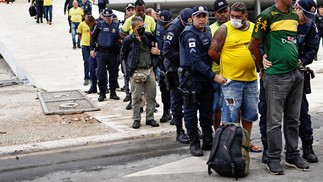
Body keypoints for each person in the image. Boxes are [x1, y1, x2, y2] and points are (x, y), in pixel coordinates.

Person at [248, 0, 310, 175]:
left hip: (296, 75)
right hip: (275, 76)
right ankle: (274, 158)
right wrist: (262, 67)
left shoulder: (294, 15)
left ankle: (292, 155)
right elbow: (253, 45)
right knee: (274, 121)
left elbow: (292, 39)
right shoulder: (266, 16)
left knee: (293, 119)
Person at [259, 0, 319, 165]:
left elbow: (312, 49)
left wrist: (301, 61)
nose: (306, 19)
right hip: (273, 73)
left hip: (296, 73)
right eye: (304, 15)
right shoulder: (273, 17)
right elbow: (258, 42)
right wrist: (262, 58)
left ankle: (305, 147)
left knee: (300, 113)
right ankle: (268, 149)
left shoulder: (310, 25)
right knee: (268, 113)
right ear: (297, 8)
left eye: (310, 16)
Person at [209, 1, 259, 153]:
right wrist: (227, 63)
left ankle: (246, 142)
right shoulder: (224, 29)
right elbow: (212, 52)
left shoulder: (253, 28)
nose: (234, 19)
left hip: (250, 79)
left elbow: (258, 48)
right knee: (231, 115)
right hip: (231, 81)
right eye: (232, 16)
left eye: (238, 16)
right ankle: (231, 145)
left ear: (246, 16)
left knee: (249, 114)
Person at [180, 5, 225, 157]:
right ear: (192, 18)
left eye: (204, 16)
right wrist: (214, 76)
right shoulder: (189, 34)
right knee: (191, 111)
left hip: (205, 77)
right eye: (198, 16)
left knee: (207, 110)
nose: (201, 19)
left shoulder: (207, 31)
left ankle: (207, 139)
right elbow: (195, 61)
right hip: (192, 78)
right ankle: (194, 143)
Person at [121, 16, 159, 129]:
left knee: (152, 95)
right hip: (136, 71)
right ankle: (136, 118)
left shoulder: (148, 36)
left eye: (142, 26)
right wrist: (128, 71)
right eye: (139, 27)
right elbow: (123, 55)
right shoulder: (128, 40)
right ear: (133, 28)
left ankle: (150, 117)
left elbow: (154, 46)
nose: (141, 29)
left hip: (149, 69)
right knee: (136, 96)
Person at [163, 8, 194, 144]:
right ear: (181, 20)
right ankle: (179, 130)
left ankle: (192, 128)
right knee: (176, 99)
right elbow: (166, 51)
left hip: (188, 66)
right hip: (174, 67)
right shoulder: (173, 29)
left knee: (191, 98)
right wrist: (184, 57)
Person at [90, 8, 120, 102]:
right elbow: (93, 37)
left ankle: (113, 93)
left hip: (113, 53)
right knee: (101, 73)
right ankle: (102, 93)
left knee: (113, 73)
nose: (107, 19)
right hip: (101, 52)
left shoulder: (117, 25)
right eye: (105, 17)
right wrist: (92, 49)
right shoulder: (99, 25)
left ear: (112, 16)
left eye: (109, 17)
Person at [208, 0, 230, 130]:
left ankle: (234, 135)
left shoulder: (234, 27)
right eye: (220, 12)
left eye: (225, 11)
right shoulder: (210, 29)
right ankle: (217, 134)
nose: (223, 14)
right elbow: (210, 52)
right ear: (215, 14)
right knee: (216, 106)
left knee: (234, 107)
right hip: (216, 74)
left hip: (233, 74)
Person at [152, 10, 173, 124]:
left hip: (172, 63)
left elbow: (175, 51)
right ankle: (166, 111)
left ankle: (176, 114)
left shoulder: (175, 30)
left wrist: (160, 52)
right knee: (163, 88)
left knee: (174, 89)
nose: (163, 26)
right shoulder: (158, 27)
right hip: (162, 64)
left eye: (165, 24)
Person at [84, 15, 98, 94]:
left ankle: (104, 88)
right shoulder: (92, 27)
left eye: (88, 23)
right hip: (92, 50)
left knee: (101, 71)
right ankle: (93, 87)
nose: (88, 25)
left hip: (100, 51)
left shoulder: (99, 26)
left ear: (92, 22)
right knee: (92, 69)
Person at [78, 14, 91, 86]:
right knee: (86, 61)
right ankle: (86, 77)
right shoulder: (81, 24)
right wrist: (82, 41)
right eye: (86, 17)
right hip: (85, 46)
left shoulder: (92, 23)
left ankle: (92, 77)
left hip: (92, 45)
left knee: (93, 62)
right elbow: (79, 33)